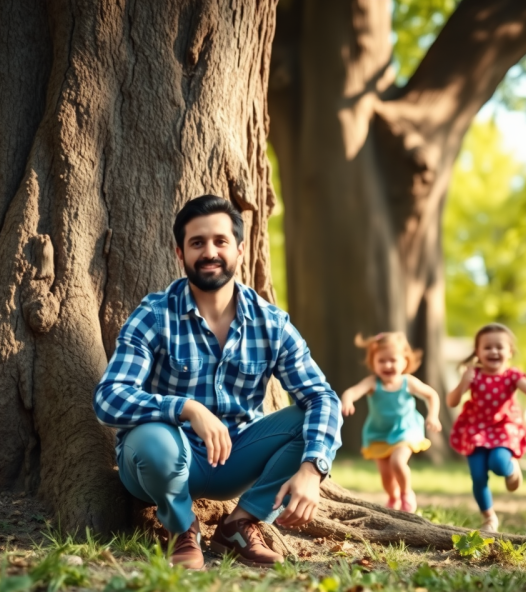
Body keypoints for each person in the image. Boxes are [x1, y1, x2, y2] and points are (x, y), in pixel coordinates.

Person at [93, 195, 342, 570]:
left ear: (240, 250)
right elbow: (109, 398)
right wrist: (185, 408)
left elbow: (322, 396)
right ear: (180, 253)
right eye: (197, 243)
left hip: (234, 460)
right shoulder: (154, 314)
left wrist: (312, 469)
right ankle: (180, 528)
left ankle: (239, 525)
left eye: (220, 241)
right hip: (159, 459)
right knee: (152, 438)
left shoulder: (271, 323)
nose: (210, 252)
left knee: (306, 420)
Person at [446, 323, 526, 532]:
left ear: (509, 352)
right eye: (487, 347)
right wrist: (463, 383)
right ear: (478, 352)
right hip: (476, 429)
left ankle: (511, 470)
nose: (493, 351)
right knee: (477, 475)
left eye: (499, 347)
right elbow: (452, 401)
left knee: (499, 464)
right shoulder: (473, 375)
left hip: (504, 427)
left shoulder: (512, 376)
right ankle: (489, 517)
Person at [340, 332, 442, 513]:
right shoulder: (373, 382)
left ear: (405, 361)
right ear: (373, 363)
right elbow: (353, 391)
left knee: (397, 461)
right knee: (386, 475)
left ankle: (406, 493)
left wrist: (433, 416)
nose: (387, 365)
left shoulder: (408, 382)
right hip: (379, 433)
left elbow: (431, 395)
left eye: (393, 360)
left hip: (406, 429)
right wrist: (347, 400)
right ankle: (393, 497)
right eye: (382, 361)